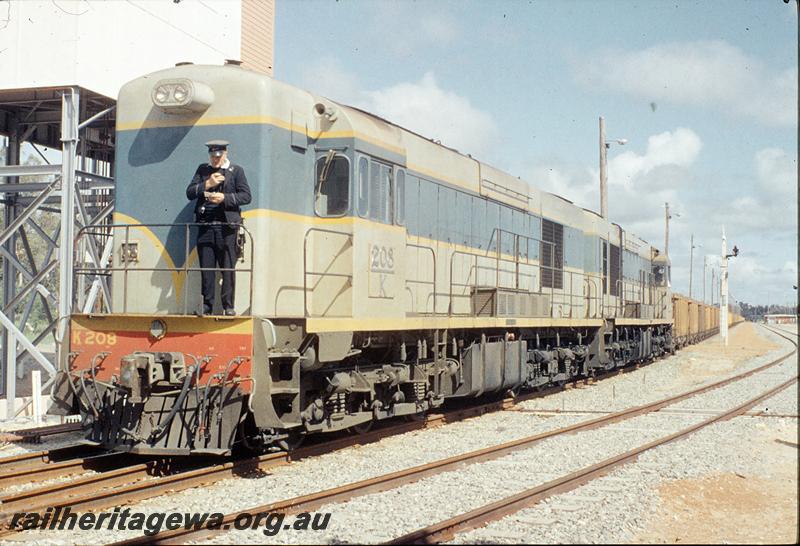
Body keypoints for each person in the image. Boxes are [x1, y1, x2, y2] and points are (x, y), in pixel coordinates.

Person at [186, 140, 251, 316]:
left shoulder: (236, 171)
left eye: (219, 156)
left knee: (228, 268)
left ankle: (228, 306)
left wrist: (224, 198)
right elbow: (190, 192)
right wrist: (207, 184)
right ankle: (206, 306)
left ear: (225, 154)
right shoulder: (203, 170)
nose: (216, 160)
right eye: (213, 157)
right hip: (206, 226)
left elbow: (246, 196)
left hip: (227, 227)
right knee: (207, 269)